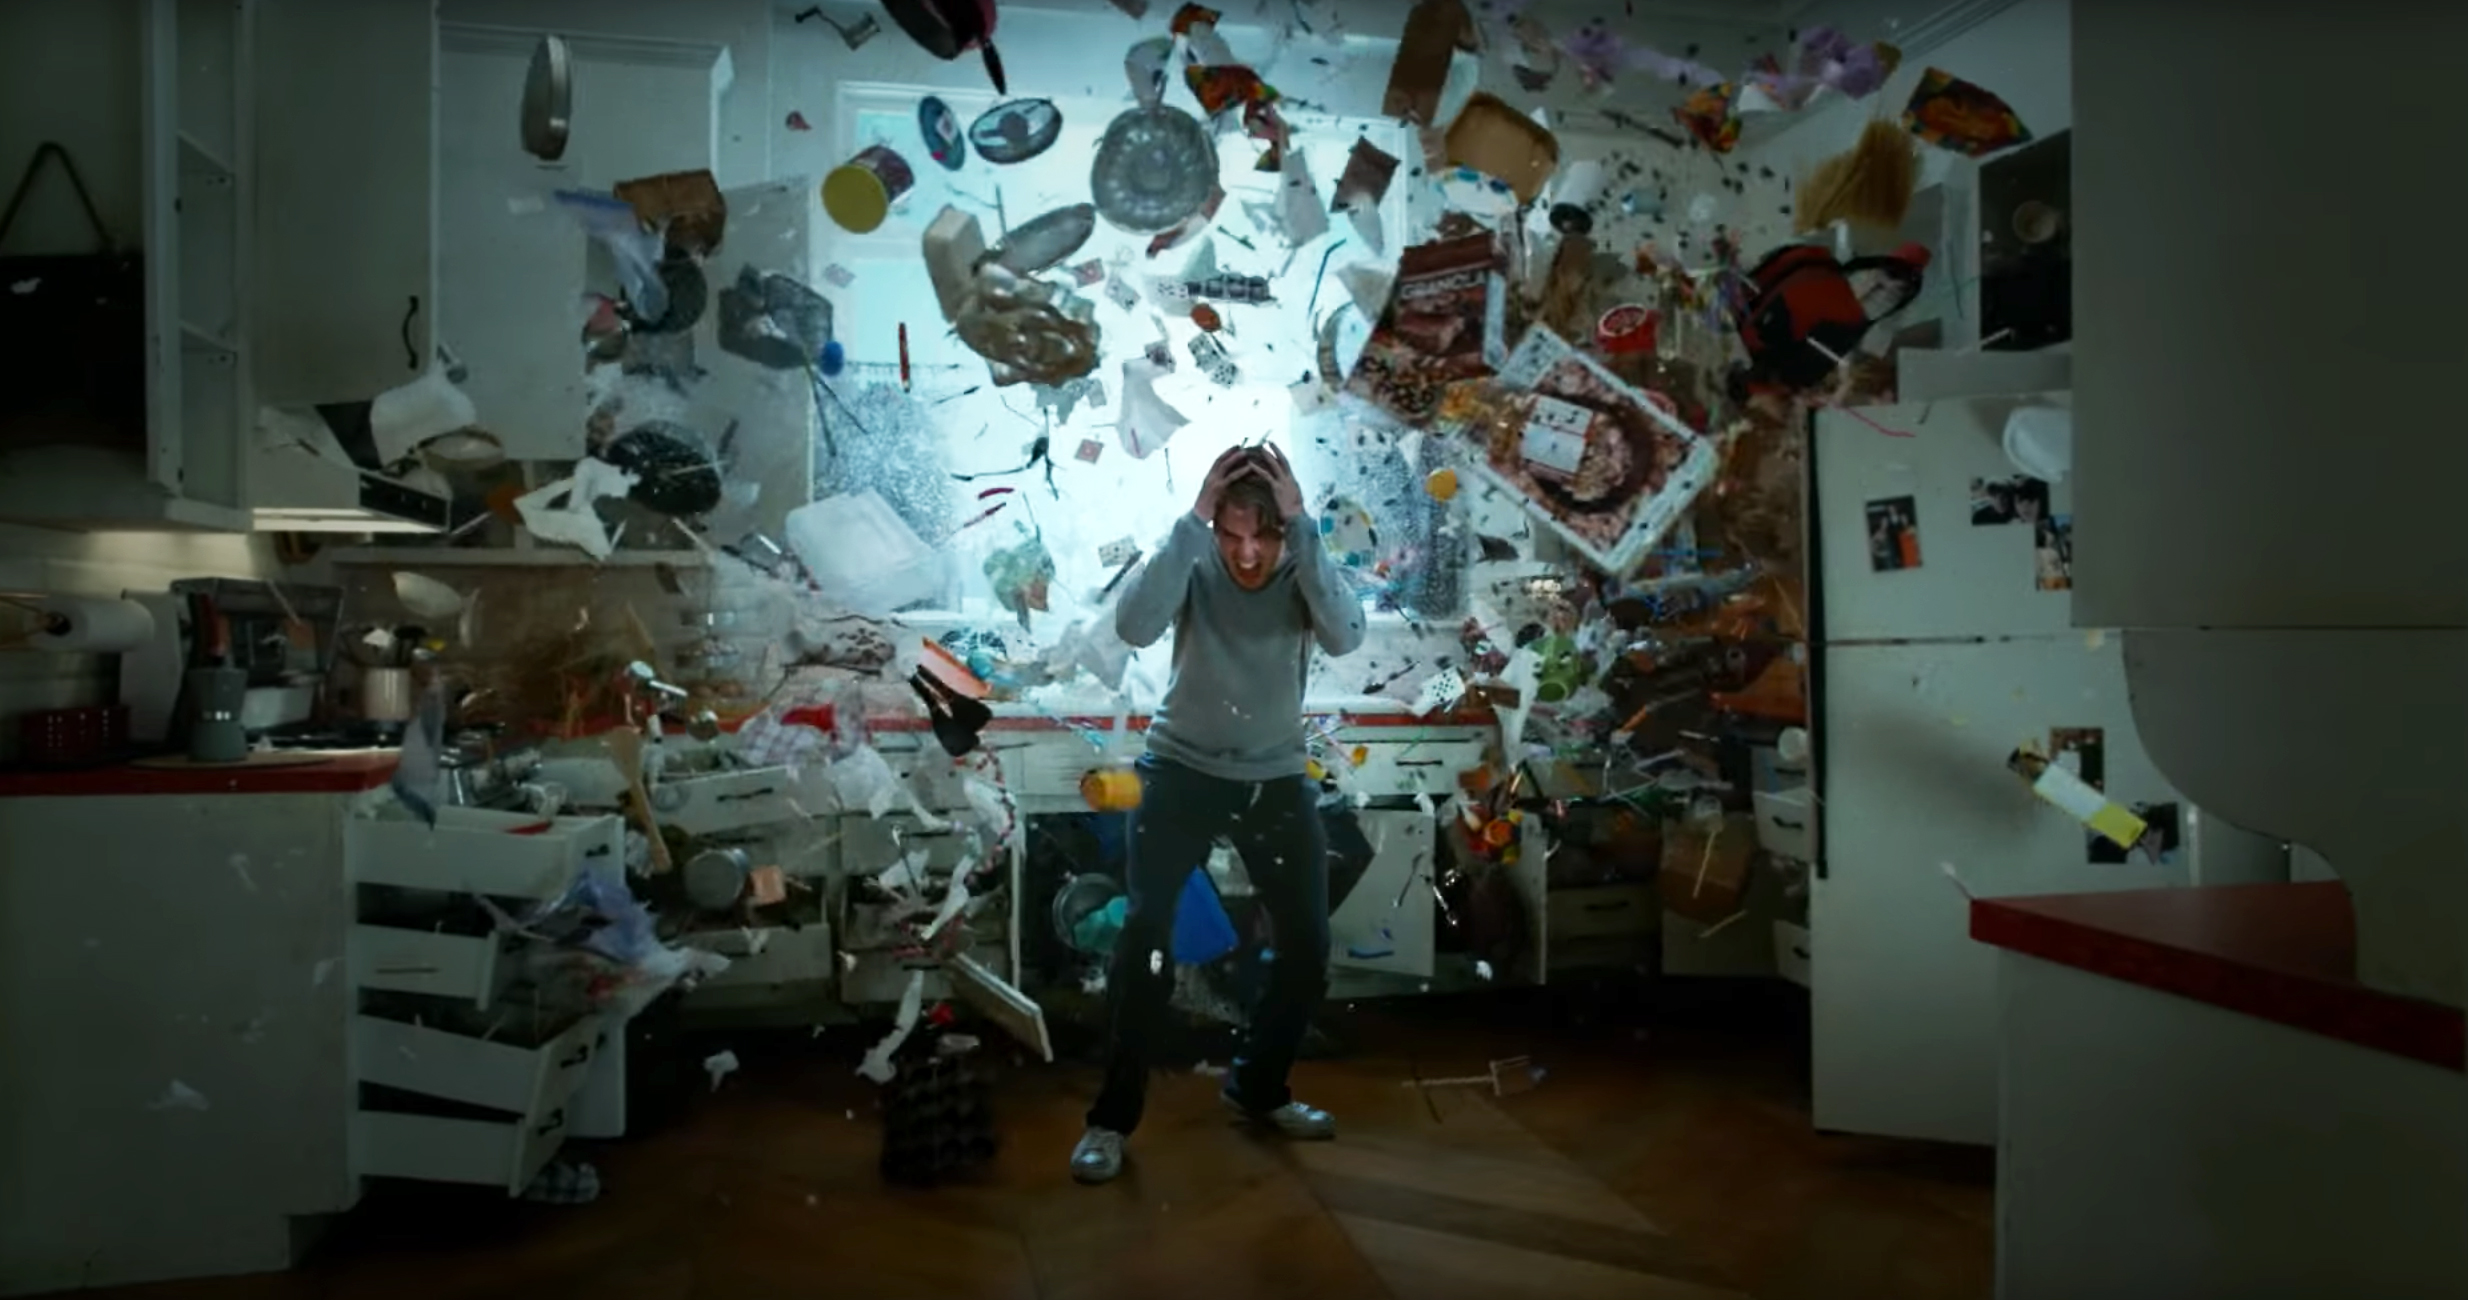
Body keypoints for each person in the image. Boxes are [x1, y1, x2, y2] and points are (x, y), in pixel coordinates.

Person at [1069, 443, 1369, 1185]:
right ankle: (1110, 1121)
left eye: (1260, 535)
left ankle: (1258, 1088)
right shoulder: (1194, 557)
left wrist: (1305, 529)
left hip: (1274, 776)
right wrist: (1192, 519)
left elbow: (1346, 635)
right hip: (1179, 772)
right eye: (1230, 533)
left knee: (1307, 945)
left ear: (1282, 526)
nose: (1245, 553)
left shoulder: (1304, 565)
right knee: (1145, 944)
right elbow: (1134, 627)